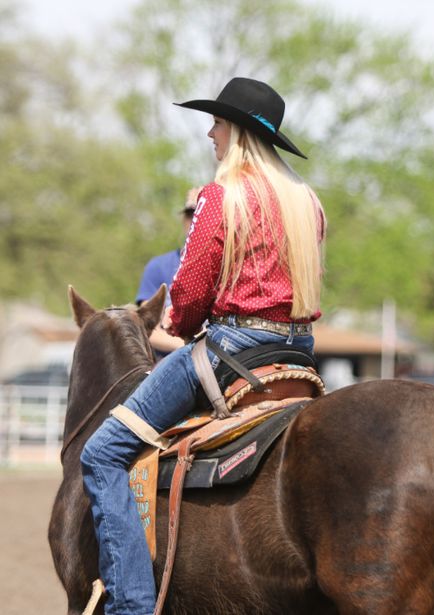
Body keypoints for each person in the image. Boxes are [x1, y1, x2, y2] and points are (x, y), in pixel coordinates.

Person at [80, 76, 326, 615]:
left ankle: (131, 606)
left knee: (101, 453)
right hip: (298, 355)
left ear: (235, 131)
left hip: (230, 348)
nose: (210, 133)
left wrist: (180, 319)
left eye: (216, 122)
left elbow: (189, 295)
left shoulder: (221, 197)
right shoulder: (308, 203)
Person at [136, 187, 201, 358]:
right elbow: (148, 326)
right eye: (189, 213)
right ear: (183, 218)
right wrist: (188, 347)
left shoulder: (226, 267)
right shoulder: (158, 266)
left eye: (200, 213)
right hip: (166, 359)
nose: (194, 219)